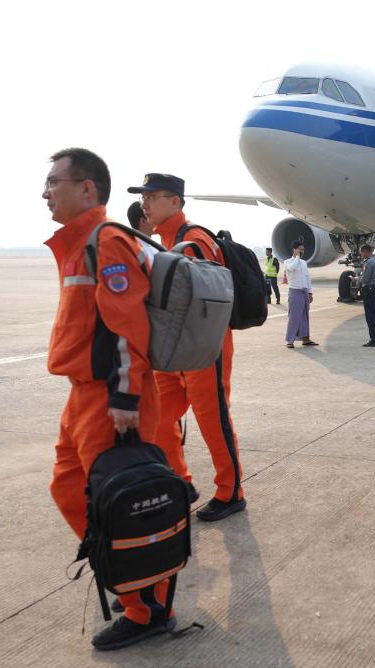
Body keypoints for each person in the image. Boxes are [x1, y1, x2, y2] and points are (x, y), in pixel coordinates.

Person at [42, 148, 175, 649]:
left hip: (111, 398)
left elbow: (125, 325)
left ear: (87, 189)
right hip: (82, 395)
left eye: (54, 182)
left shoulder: (107, 241)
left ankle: (148, 609)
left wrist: (125, 395)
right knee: (68, 487)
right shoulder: (79, 243)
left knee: (123, 506)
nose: (45, 192)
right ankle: (130, 574)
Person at [129, 173, 246, 523]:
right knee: (156, 417)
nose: (145, 204)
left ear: (175, 202)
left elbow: (211, 300)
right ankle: (179, 482)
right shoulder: (166, 241)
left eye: (152, 197)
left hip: (203, 347)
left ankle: (231, 492)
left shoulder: (195, 240)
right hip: (173, 350)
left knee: (213, 421)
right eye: (143, 198)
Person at [284, 239, 319, 348]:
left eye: (303, 250)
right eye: (300, 249)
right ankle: (290, 340)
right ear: (294, 250)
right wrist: (297, 257)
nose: (302, 251)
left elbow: (307, 278)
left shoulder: (304, 263)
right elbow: (292, 268)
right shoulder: (288, 262)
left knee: (305, 316)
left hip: (304, 292)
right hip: (295, 291)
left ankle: (306, 339)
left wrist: (310, 292)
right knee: (294, 316)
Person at [359, 244, 375, 346]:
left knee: (371, 316)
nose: (361, 255)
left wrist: (356, 279)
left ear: (365, 252)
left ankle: (373, 340)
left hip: (370, 291)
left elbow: (365, 279)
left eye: (361, 253)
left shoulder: (369, 263)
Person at [126, 200, 158, 265]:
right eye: (153, 216)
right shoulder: (135, 249)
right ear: (143, 221)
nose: (158, 219)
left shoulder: (154, 247)